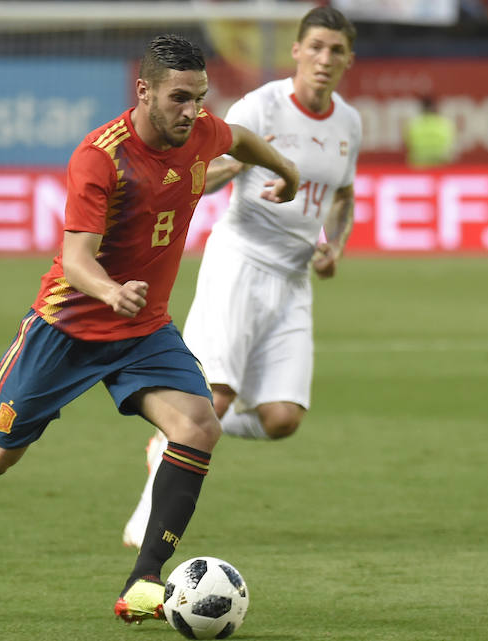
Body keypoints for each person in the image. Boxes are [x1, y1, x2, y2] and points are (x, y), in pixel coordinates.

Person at [0, 34, 299, 625]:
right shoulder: (101, 157)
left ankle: (143, 580)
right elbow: (75, 261)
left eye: (199, 97)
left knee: (198, 425)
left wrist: (286, 169)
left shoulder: (199, 131)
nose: (192, 110)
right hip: (66, 328)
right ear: (143, 91)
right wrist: (111, 291)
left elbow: (240, 139)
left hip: (142, 330)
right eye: (178, 98)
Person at [122, 6, 361, 549]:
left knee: (282, 418)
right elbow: (197, 175)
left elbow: (343, 196)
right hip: (241, 259)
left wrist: (334, 248)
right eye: (316, 47)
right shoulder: (263, 105)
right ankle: (147, 517)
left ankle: (170, 441)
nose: (325, 59)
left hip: (294, 277)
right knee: (218, 394)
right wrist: (254, 165)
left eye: (336, 50)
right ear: (296, 51)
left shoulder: (349, 121)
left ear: (349, 59)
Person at [404, 94, 455, 168]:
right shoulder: (445, 124)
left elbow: (407, 144)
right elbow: (450, 148)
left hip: (418, 168)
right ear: (436, 108)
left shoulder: (413, 125)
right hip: (440, 167)